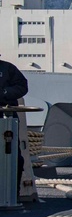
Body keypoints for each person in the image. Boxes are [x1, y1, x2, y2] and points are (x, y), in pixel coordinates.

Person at [0, 56, 30, 194]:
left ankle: (12, 193)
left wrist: (4, 93)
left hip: (7, 118)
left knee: (12, 156)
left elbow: (22, 86)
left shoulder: (7, 68)